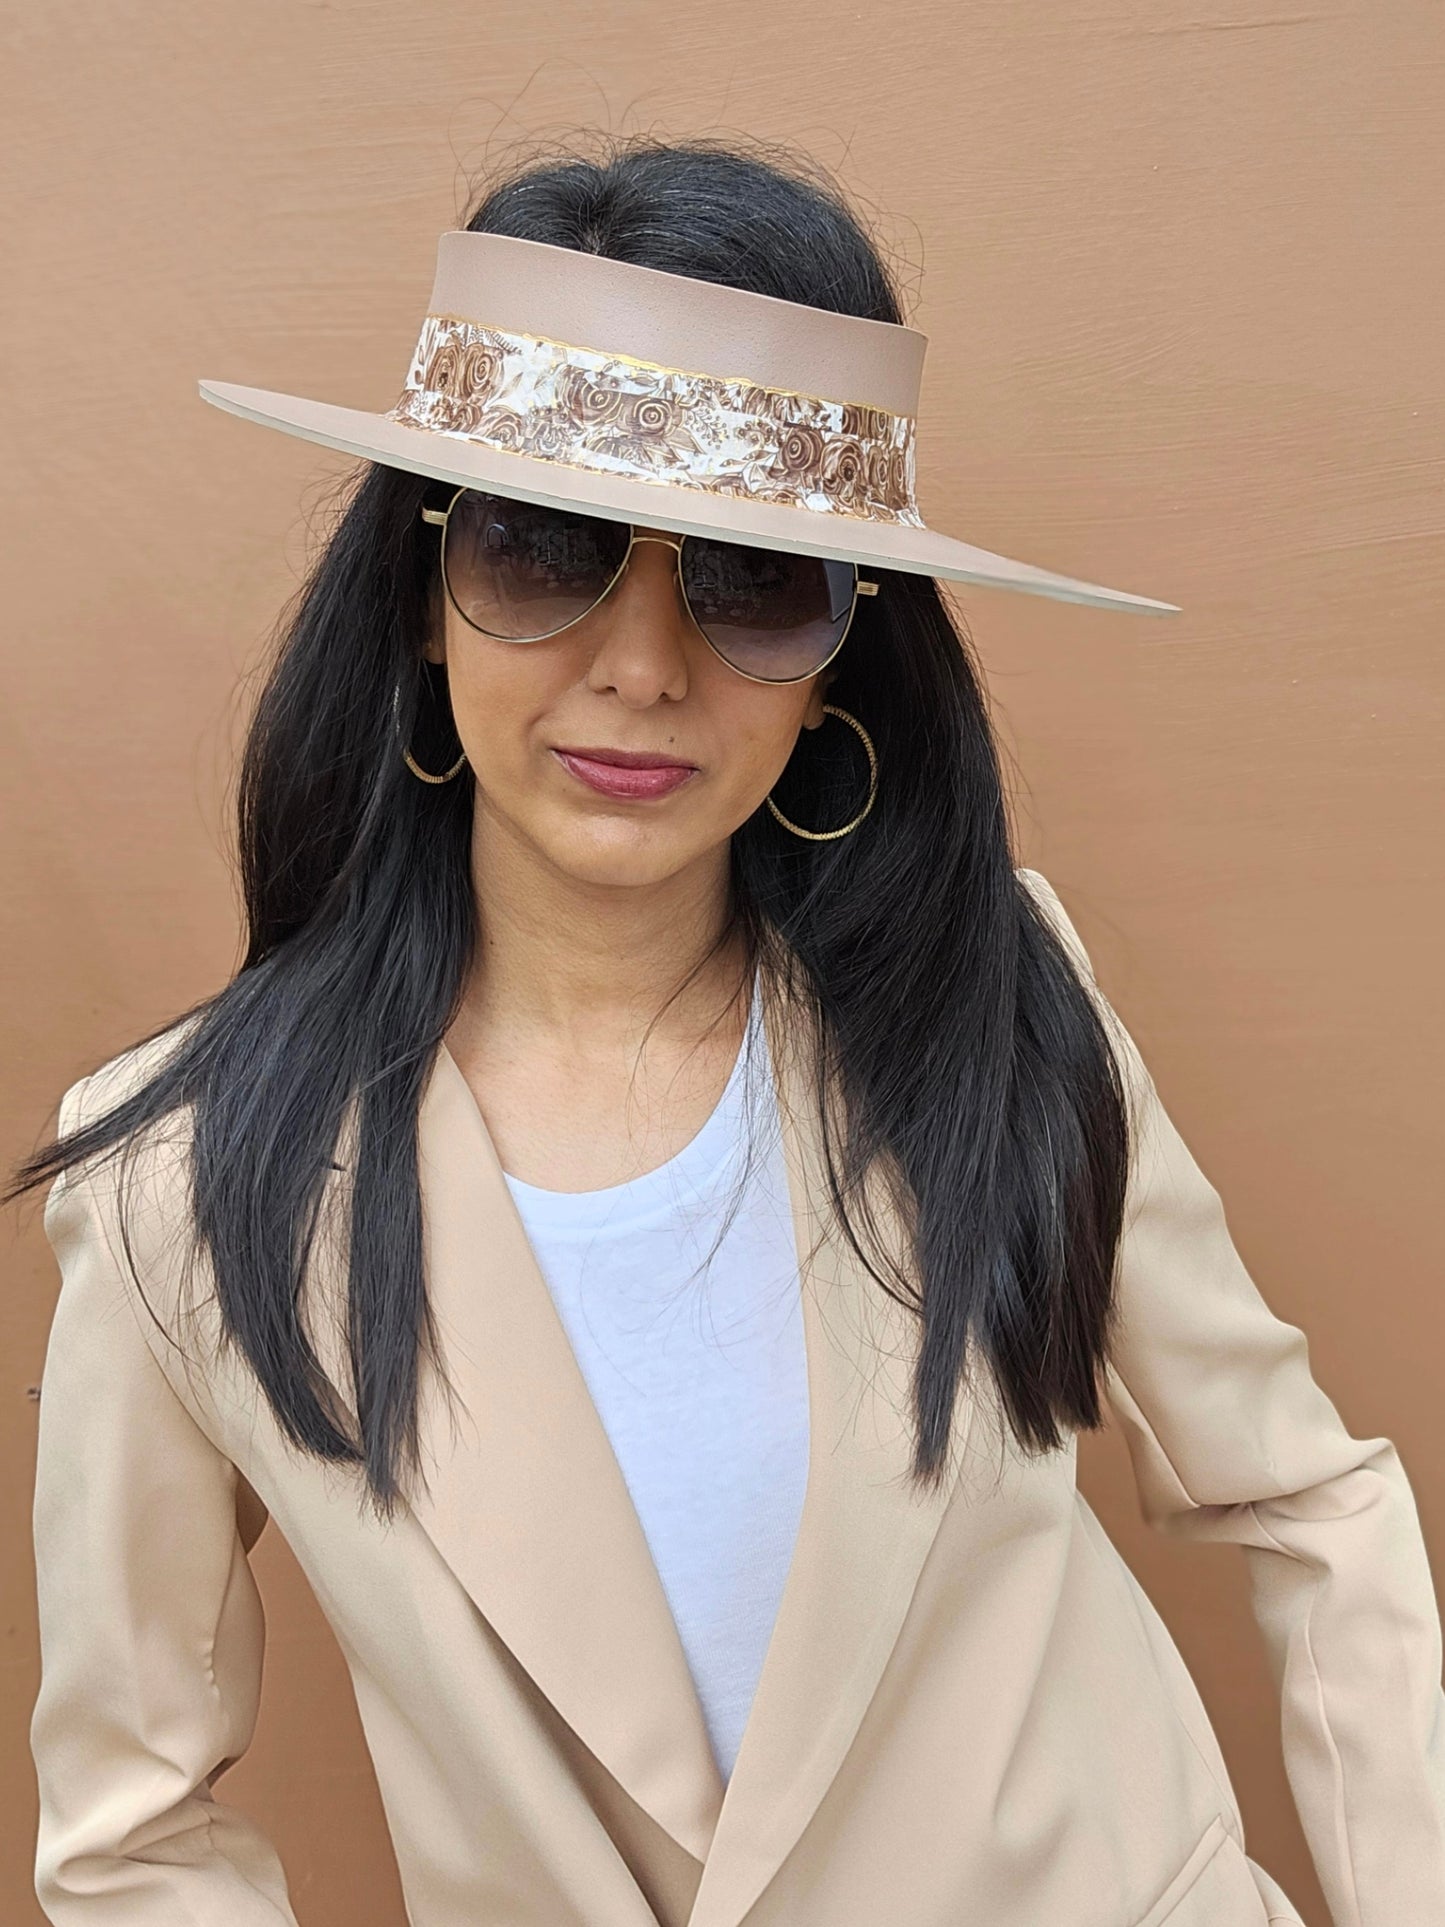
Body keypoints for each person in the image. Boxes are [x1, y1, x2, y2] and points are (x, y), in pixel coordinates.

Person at [12, 135, 1443, 1927]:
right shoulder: (182, 1180)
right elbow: (130, 1832)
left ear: (847, 645)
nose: (640, 664)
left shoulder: (996, 990)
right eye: (544, 554)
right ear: (419, 593)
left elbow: (1308, 1501)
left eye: (750, 578)